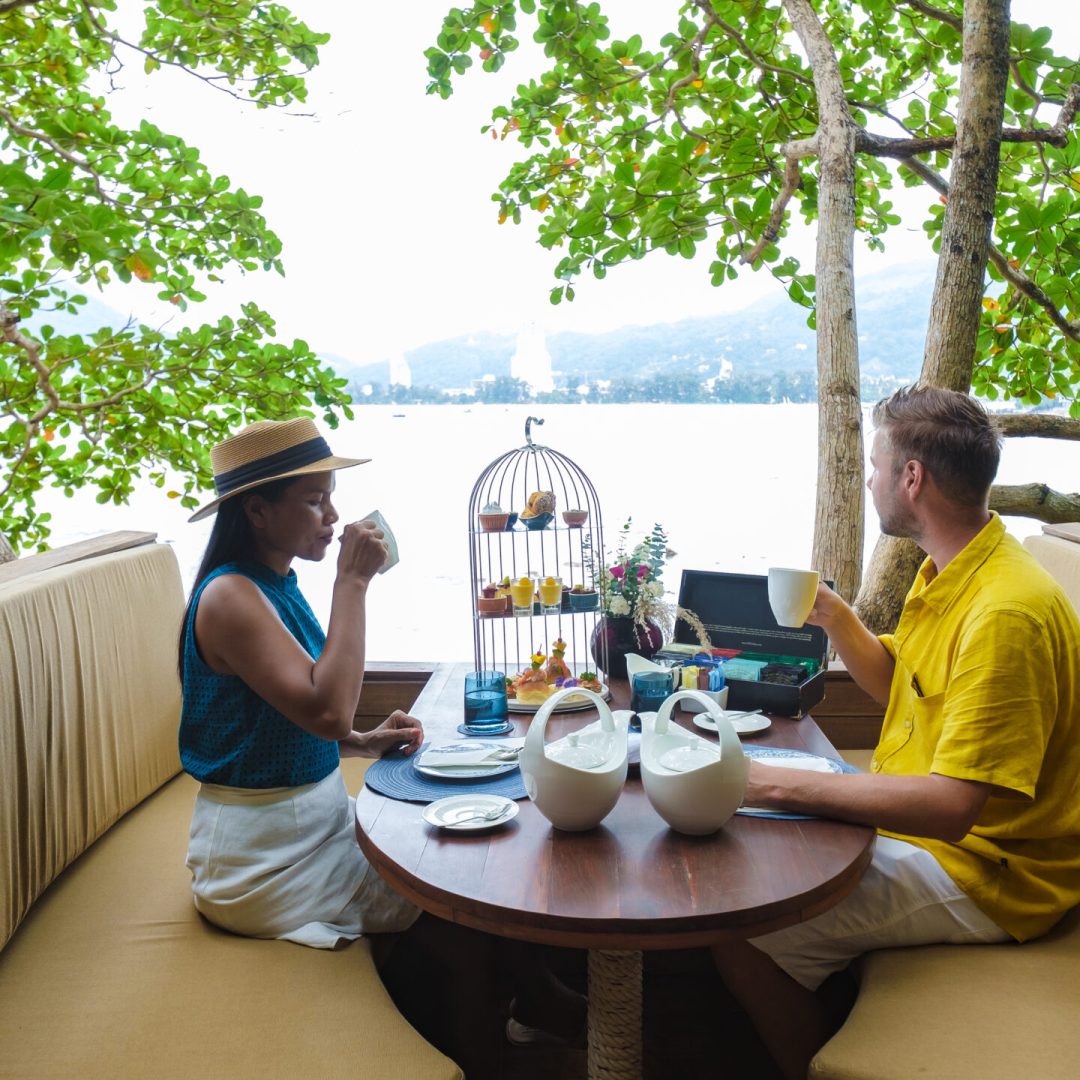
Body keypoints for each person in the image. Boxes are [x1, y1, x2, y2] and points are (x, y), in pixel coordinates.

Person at [178, 417, 585, 1047]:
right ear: (257, 511)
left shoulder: (272, 584)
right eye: (314, 500)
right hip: (262, 859)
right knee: (462, 904)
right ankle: (492, 1038)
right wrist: (353, 581)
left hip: (308, 822)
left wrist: (361, 742)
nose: (332, 516)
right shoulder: (231, 597)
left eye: (330, 497)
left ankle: (537, 1001)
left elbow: (282, 716)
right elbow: (324, 711)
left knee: (466, 857)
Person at [712, 387, 1080, 1080]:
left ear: (912, 478)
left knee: (744, 929)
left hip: (994, 871)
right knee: (762, 838)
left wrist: (778, 784)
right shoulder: (957, 567)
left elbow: (952, 809)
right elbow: (903, 687)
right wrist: (836, 618)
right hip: (944, 835)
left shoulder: (1006, 612)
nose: (874, 478)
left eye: (879, 465)